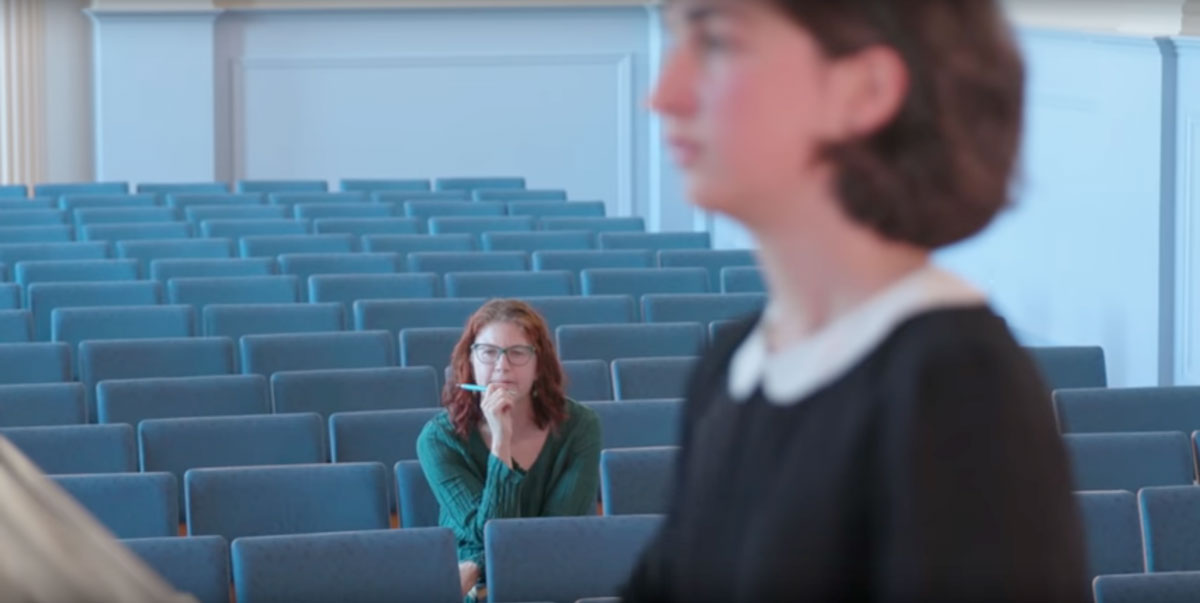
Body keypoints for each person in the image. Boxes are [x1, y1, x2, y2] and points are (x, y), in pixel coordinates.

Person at [622, 0, 1088, 601]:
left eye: (715, 43)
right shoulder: (734, 363)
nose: (662, 95)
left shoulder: (956, 388)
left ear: (864, 90)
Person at [417, 299, 602, 601]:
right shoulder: (438, 439)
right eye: (488, 353)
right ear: (470, 362)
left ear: (539, 365)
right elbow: (490, 533)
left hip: (549, 585)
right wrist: (501, 440)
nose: (502, 366)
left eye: (517, 353)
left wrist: (476, 567)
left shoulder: (581, 427)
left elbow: (557, 535)